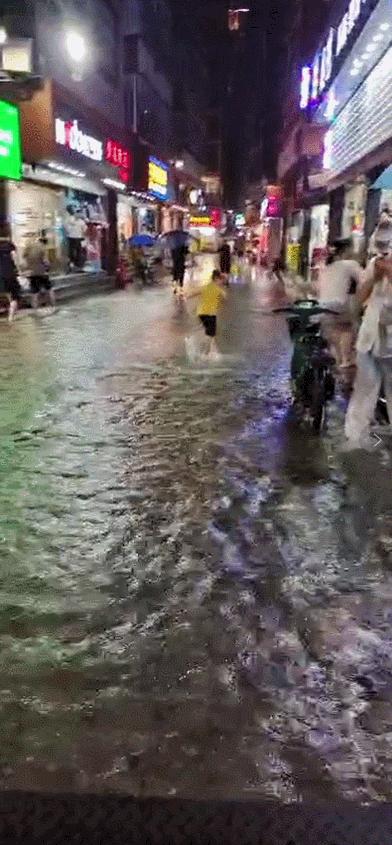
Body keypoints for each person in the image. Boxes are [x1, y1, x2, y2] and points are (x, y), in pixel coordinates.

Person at [345, 248, 392, 448]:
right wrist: (375, 278)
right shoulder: (376, 263)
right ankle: (355, 437)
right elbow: (359, 298)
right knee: (365, 387)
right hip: (370, 336)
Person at [317, 238, 362, 368]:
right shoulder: (350, 264)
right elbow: (364, 279)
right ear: (346, 250)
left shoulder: (326, 266)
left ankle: (338, 359)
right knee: (347, 329)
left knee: (334, 330)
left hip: (323, 304)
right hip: (339, 304)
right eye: (351, 249)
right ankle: (346, 359)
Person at [187, 269, 227, 359]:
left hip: (201, 313)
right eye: (221, 280)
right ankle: (208, 353)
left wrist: (186, 296)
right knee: (211, 335)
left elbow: (193, 293)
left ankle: (209, 351)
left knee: (210, 333)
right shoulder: (218, 290)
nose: (222, 282)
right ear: (217, 279)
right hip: (211, 314)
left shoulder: (206, 286)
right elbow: (225, 298)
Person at [23, 234, 56, 311]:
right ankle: (54, 306)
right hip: (42, 272)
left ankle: (35, 310)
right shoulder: (41, 248)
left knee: (34, 293)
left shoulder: (27, 249)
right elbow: (46, 261)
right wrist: (48, 267)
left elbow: (24, 262)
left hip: (32, 273)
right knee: (50, 289)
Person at [0, 222, 21, 323]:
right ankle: (11, 319)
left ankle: (11, 314)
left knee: (7, 294)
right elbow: (15, 258)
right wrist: (19, 270)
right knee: (15, 296)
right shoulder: (10, 245)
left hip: (1, 275)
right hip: (9, 273)